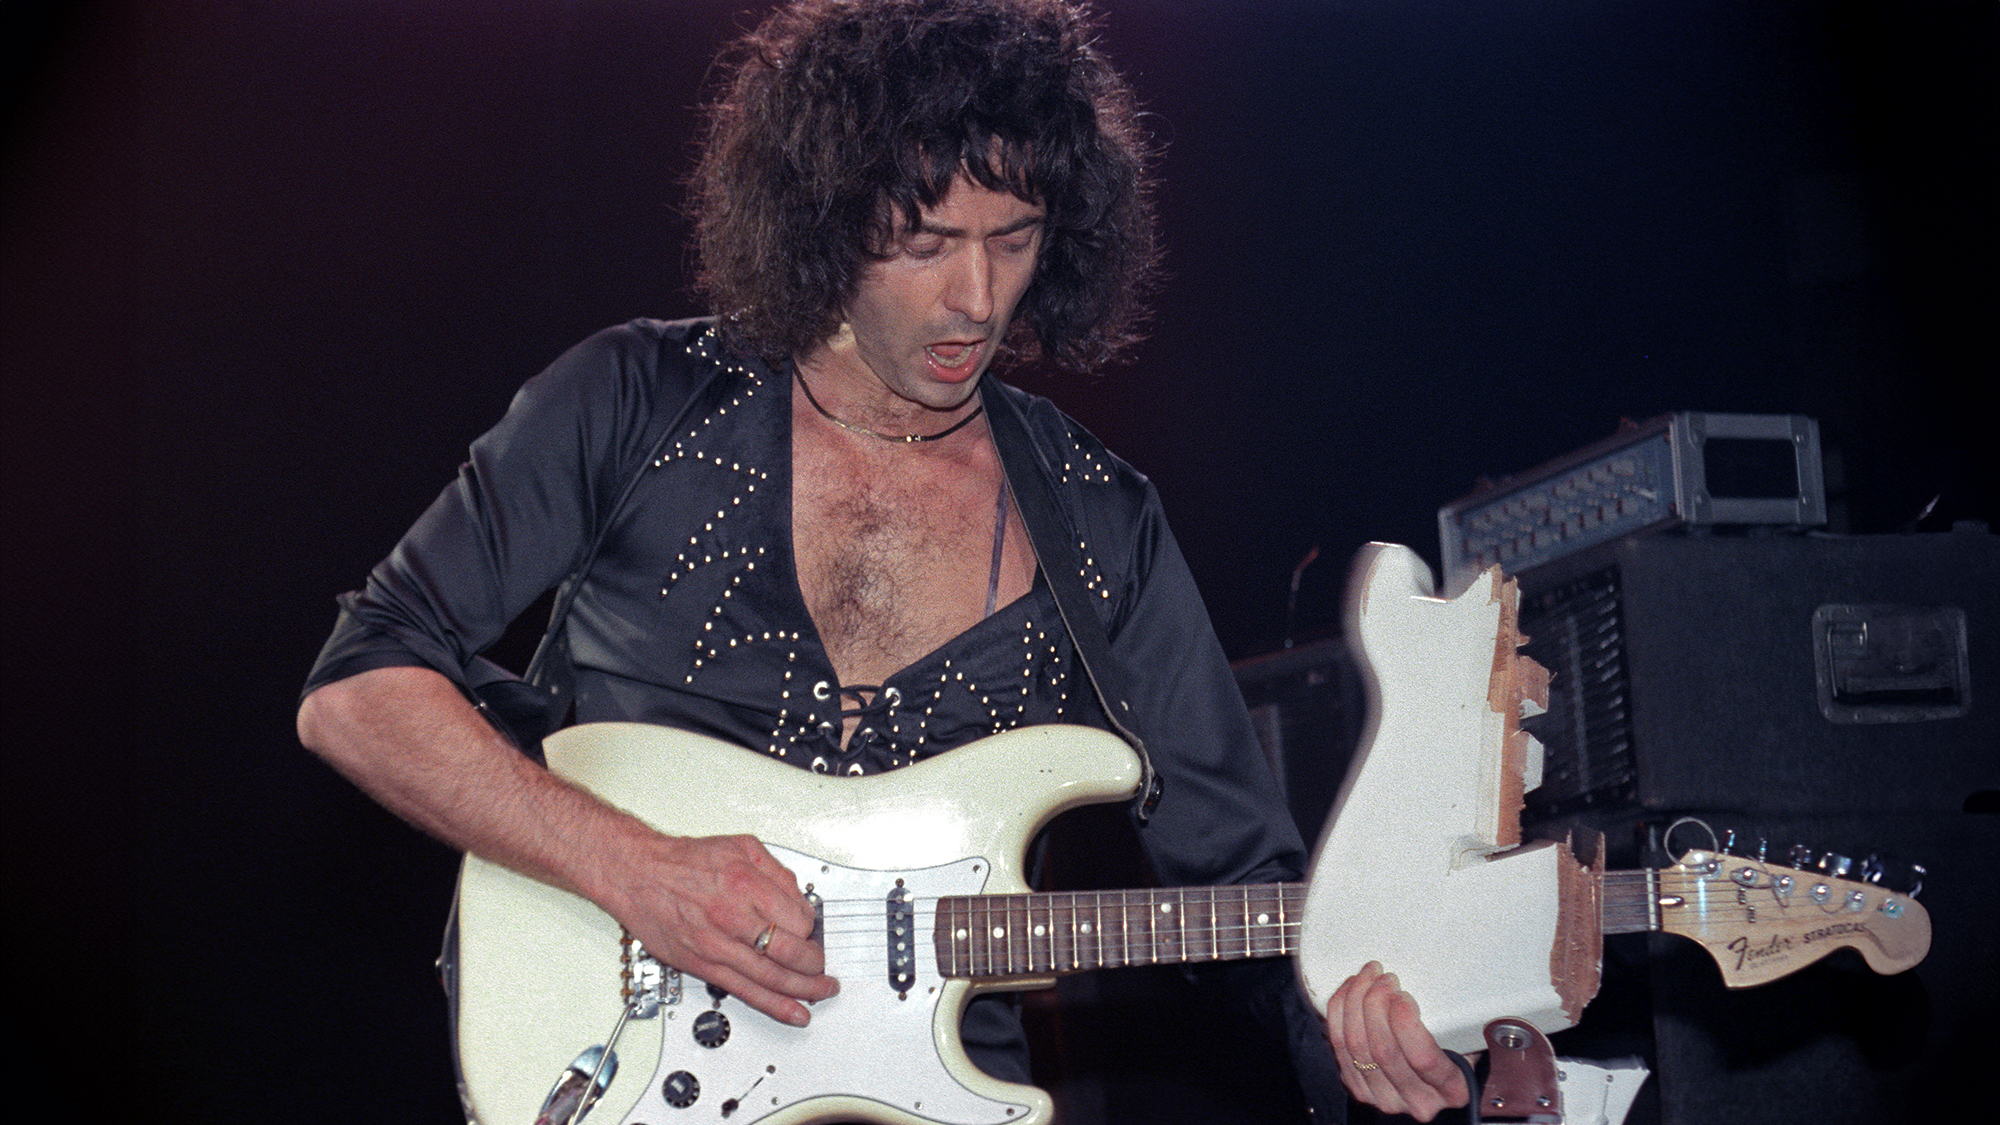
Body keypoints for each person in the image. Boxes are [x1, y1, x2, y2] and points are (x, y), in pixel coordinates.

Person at [297, 0, 1453, 1119]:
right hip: (616, 1053)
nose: (976, 298)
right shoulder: (634, 402)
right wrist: (634, 869)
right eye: (923, 242)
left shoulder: (1099, 522)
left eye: (1013, 239)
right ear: (826, 220)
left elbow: (1240, 889)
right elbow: (358, 689)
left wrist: (1347, 1025)